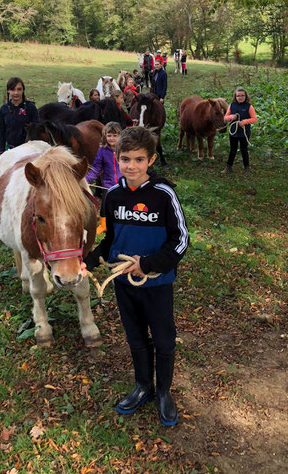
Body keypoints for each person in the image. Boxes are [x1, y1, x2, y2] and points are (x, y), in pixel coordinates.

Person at [83, 127, 189, 426]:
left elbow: (181, 239)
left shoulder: (163, 194)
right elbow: (109, 242)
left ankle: (163, 392)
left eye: (139, 160)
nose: (131, 166)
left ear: (151, 160)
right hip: (123, 284)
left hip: (157, 282)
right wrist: (87, 262)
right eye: (125, 159)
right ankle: (143, 385)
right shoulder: (113, 197)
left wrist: (151, 264)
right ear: (116, 158)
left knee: (164, 338)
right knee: (136, 336)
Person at [222, 87, 258, 175]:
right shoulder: (232, 105)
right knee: (232, 150)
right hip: (233, 131)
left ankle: (247, 168)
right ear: (235, 96)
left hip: (244, 132)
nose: (240, 97)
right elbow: (225, 117)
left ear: (245, 96)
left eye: (242, 95)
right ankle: (228, 167)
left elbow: (254, 119)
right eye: (238, 96)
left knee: (244, 150)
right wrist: (231, 117)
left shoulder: (249, 106)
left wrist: (244, 122)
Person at [0, 77, 39, 153]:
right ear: (8, 91)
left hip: (28, 150)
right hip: (11, 150)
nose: (16, 93)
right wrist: (1, 151)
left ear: (23, 90)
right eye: (13, 90)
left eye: (19, 89)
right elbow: (2, 131)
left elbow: (37, 129)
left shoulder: (30, 107)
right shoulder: (4, 109)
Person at [86, 122, 122, 190]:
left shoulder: (125, 150)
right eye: (109, 136)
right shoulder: (102, 151)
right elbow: (96, 169)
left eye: (114, 136)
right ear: (105, 136)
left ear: (119, 136)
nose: (112, 138)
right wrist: (85, 180)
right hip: (108, 187)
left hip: (123, 186)